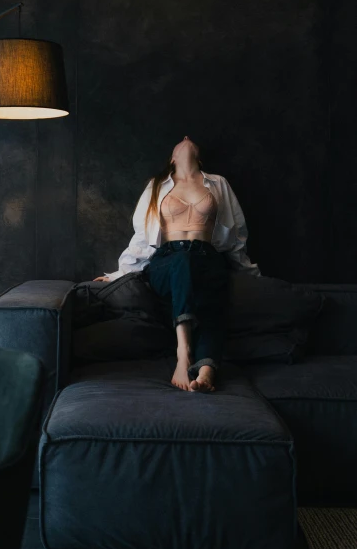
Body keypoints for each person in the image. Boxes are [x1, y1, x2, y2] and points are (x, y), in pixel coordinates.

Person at [93, 136, 261, 393]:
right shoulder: (157, 185)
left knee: (211, 293)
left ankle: (206, 372)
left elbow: (236, 233)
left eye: (190, 140)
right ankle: (183, 352)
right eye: (179, 142)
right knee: (183, 261)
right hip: (167, 260)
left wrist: (249, 272)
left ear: (199, 157)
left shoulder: (218, 183)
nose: (185, 138)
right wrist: (121, 273)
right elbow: (142, 235)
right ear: (172, 158)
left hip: (206, 256)